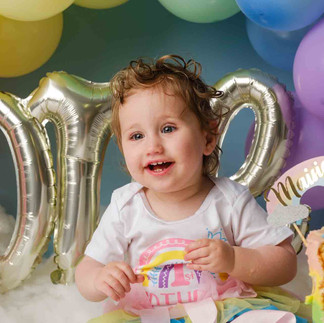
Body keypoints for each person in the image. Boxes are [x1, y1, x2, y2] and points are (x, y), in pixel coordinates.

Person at [75, 55, 308, 322]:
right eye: (136, 136)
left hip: (224, 308)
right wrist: (98, 279)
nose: (153, 146)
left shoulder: (229, 200)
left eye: (168, 128)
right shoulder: (125, 205)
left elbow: (284, 263)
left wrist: (233, 259)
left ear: (207, 139)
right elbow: (87, 268)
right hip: (151, 313)